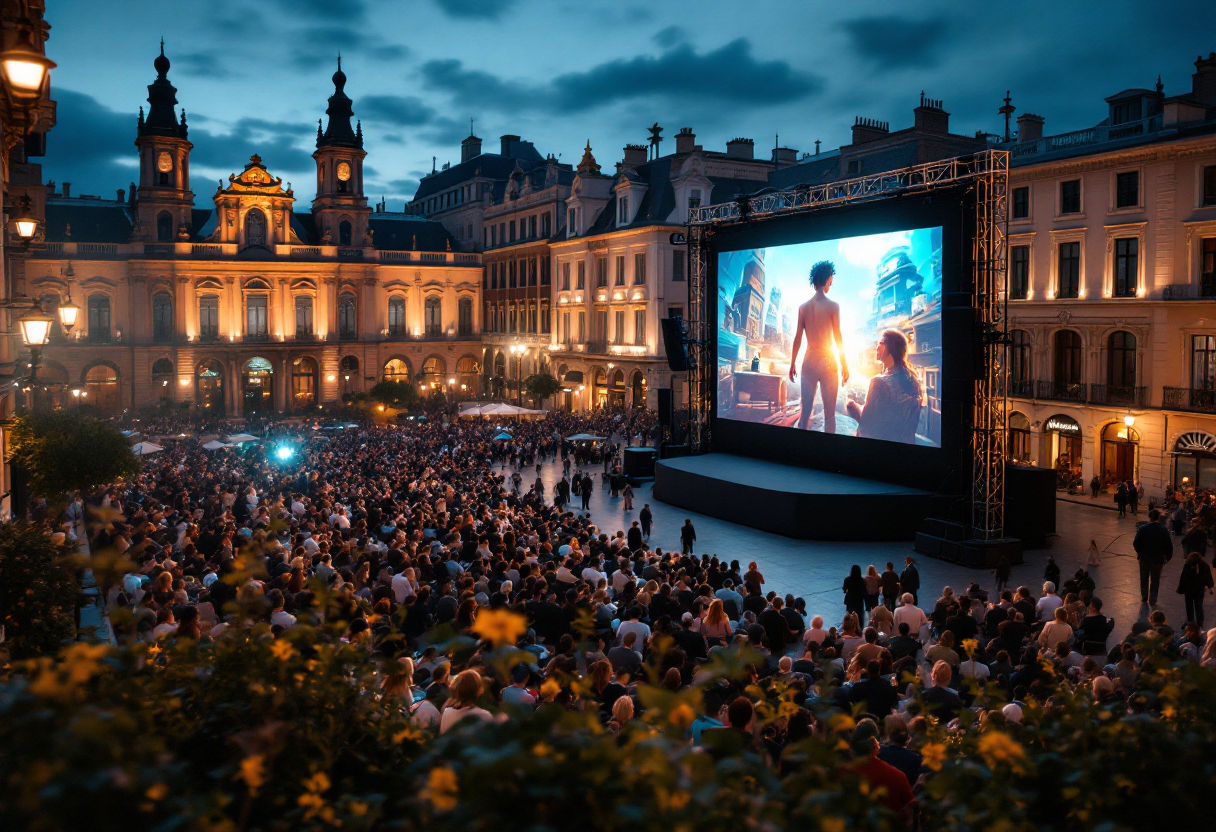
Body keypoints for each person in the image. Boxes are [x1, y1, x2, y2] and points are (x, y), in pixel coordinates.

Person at [788, 260, 848, 433]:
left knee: (804, 414)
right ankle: (829, 455)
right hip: (828, 361)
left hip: (809, 360)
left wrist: (792, 364)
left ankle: (799, 451)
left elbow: (798, 339)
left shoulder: (803, 308)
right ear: (829, 278)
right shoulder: (833, 306)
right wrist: (844, 364)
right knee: (830, 417)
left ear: (813, 281)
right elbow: (838, 338)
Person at [844, 329, 925, 444]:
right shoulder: (914, 380)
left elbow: (864, 424)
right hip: (905, 444)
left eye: (881, 343)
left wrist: (852, 407)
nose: (877, 347)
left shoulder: (879, 382)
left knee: (850, 406)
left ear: (891, 348)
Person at [1133, 509, 1173, 605]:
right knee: (1155, 580)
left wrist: (1140, 553)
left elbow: (1136, 543)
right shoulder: (1164, 530)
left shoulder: (1142, 528)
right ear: (1158, 517)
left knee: (1144, 578)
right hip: (1158, 560)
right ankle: (1153, 598)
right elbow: (1169, 547)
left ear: (1149, 517)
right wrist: (1166, 559)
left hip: (1144, 559)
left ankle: (1144, 596)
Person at [1176, 551, 1214, 627]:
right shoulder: (1205, 565)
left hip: (1189, 590)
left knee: (1189, 606)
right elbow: (1208, 577)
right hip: (1199, 590)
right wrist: (1208, 585)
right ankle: (1200, 623)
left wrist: (1181, 589)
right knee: (1199, 606)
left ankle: (1190, 621)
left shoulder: (1187, 566)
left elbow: (1183, 578)